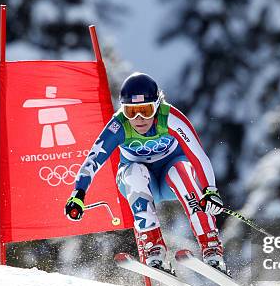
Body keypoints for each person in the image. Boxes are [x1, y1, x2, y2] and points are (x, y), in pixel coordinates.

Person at [65, 72, 227, 274]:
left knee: (181, 170)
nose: (139, 119)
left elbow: (197, 155)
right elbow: (93, 160)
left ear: (157, 106)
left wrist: (209, 191)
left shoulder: (170, 118)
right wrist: (78, 194)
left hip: (171, 180)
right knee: (134, 171)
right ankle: (153, 247)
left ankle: (211, 246)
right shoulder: (118, 126)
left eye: (145, 110)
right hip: (139, 184)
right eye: (131, 112)